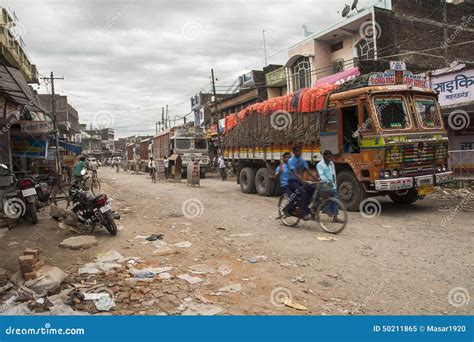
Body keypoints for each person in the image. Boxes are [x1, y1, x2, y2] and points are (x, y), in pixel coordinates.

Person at [288, 146, 318, 220]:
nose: (299, 152)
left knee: (313, 188)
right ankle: (304, 214)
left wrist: (317, 179)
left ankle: (309, 208)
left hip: (299, 181)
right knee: (303, 193)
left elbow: (308, 171)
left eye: (300, 151)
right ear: (294, 152)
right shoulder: (291, 161)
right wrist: (302, 180)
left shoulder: (302, 160)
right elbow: (294, 173)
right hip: (292, 181)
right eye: (297, 151)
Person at [316, 150, 343, 223]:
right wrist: (328, 182)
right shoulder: (319, 164)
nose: (329, 158)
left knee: (335, 199)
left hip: (332, 185)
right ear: (324, 156)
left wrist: (334, 184)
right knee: (321, 200)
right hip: (323, 185)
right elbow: (321, 175)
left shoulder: (332, 164)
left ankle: (335, 217)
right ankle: (318, 214)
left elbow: (333, 175)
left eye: (330, 157)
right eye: (327, 156)